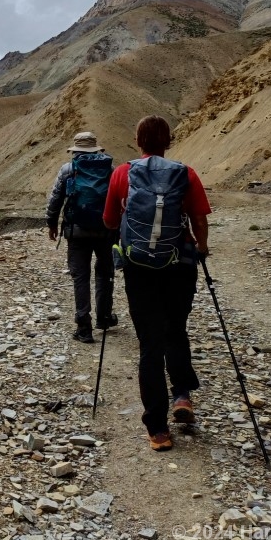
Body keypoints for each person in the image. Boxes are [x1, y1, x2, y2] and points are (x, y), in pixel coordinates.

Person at [103, 115, 211, 452]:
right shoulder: (185, 172)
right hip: (179, 264)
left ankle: (158, 429)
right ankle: (182, 395)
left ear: (138, 140)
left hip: (139, 268)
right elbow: (199, 218)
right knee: (176, 328)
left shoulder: (123, 173)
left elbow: (109, 220)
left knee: (150, 343)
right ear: (169, 140)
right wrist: (202, 248)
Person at [46, 131, 118, 344]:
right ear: (97, 149)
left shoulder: (68, 170)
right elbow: (118, 200)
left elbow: (56, 198)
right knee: (105, 273)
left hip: (77, 232)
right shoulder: (110, 170)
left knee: (81, 276)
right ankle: (104, 317)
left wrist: (52, 223)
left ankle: (83, 327)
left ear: (75, 151)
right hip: (106, 231)